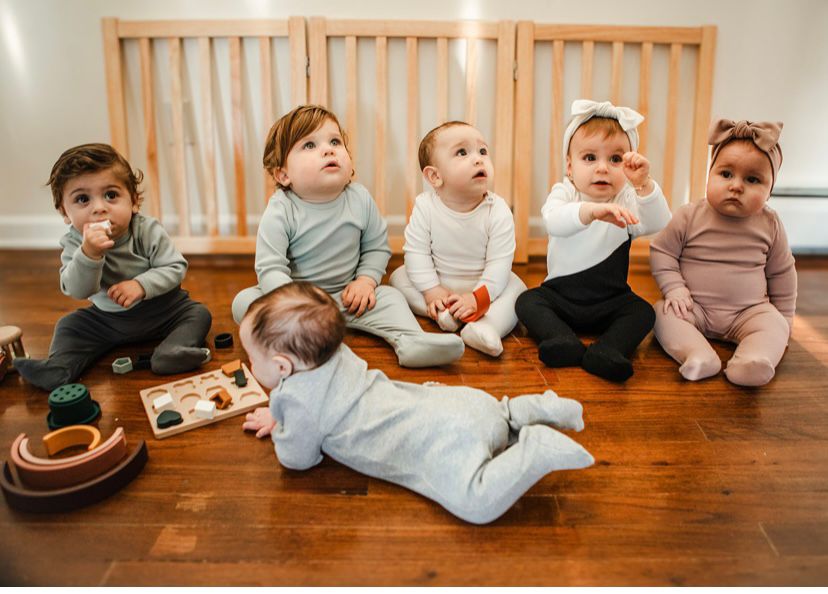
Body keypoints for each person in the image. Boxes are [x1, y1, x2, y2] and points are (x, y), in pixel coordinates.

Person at [239, 281, 594, 525]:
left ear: (283, 366)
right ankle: (531, 409)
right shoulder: (335, 352)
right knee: (497, 416)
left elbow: (298, 458)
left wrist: (281, 422)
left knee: (475, 502)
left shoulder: (296, 401)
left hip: (441, 439)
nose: (252, 366)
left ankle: (537, 450)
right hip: (457, 402)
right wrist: (279, 412)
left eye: (253, 358)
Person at [231, 105, 464, 368]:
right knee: (245, 303)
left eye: (335, 142)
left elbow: (376, 248)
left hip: (348, 298)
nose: (328, 149)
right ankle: (298, 342)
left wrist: (366, 281)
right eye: (309, 145)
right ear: (283, 174)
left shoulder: (359, 198)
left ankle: (411, 341)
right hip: (300, 304)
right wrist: (296, 302)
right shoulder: (281, 209)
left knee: (391, 298)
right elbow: (270, 267)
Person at [14, 143, 211, 391]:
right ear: (65, 213)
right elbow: (77, 290)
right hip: (106, 321)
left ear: (134, 201)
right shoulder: (74, 243)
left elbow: (175, 266)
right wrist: (89, 254)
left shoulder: (146, 230)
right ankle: (59, 367)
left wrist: (141, 284)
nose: (99, 208)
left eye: (111, 195)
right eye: (83, 199)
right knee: (69, 325)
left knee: (198, 314)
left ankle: (171, 352)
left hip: (164, 311)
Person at [515, 99, 672, 382]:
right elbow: (554, 221)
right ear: (570, 166)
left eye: (615, 160)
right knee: (527, 301)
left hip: (610, 301)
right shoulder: (565, 193)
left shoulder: (626, 199)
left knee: (643, 313)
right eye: (590, 158)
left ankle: (609, 350)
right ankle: (561, 339)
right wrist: (591, 212)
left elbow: (658, 221)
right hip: (559, 298)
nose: (602, 168)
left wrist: (644, 184)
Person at [650, 119, 796, 387]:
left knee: (773, 325)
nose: (736, 186)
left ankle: (753, 360)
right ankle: (697, 354)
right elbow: (663, 252)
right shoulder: (689, 215)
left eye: (752, 179)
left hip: (749, 311)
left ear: (770, 189)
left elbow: (782, 273)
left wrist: (784, 320)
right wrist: (674, 289)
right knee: (661, 312)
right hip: (694, 306)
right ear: (710, 174)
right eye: (726, 174)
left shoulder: (770, 224)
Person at [389, 121, 526, 357]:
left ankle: (486, 326)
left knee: (518, 289)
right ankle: (443, 311)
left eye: (482, 151)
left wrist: (478, 298)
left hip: (482, 287)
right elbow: (416, 252)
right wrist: (432, 290)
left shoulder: (498, 210)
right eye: (462, 152)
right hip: (438, 280)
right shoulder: (425, 206)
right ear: (435, 176)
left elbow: (498, 264)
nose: (478, 159)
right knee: (398, 277)